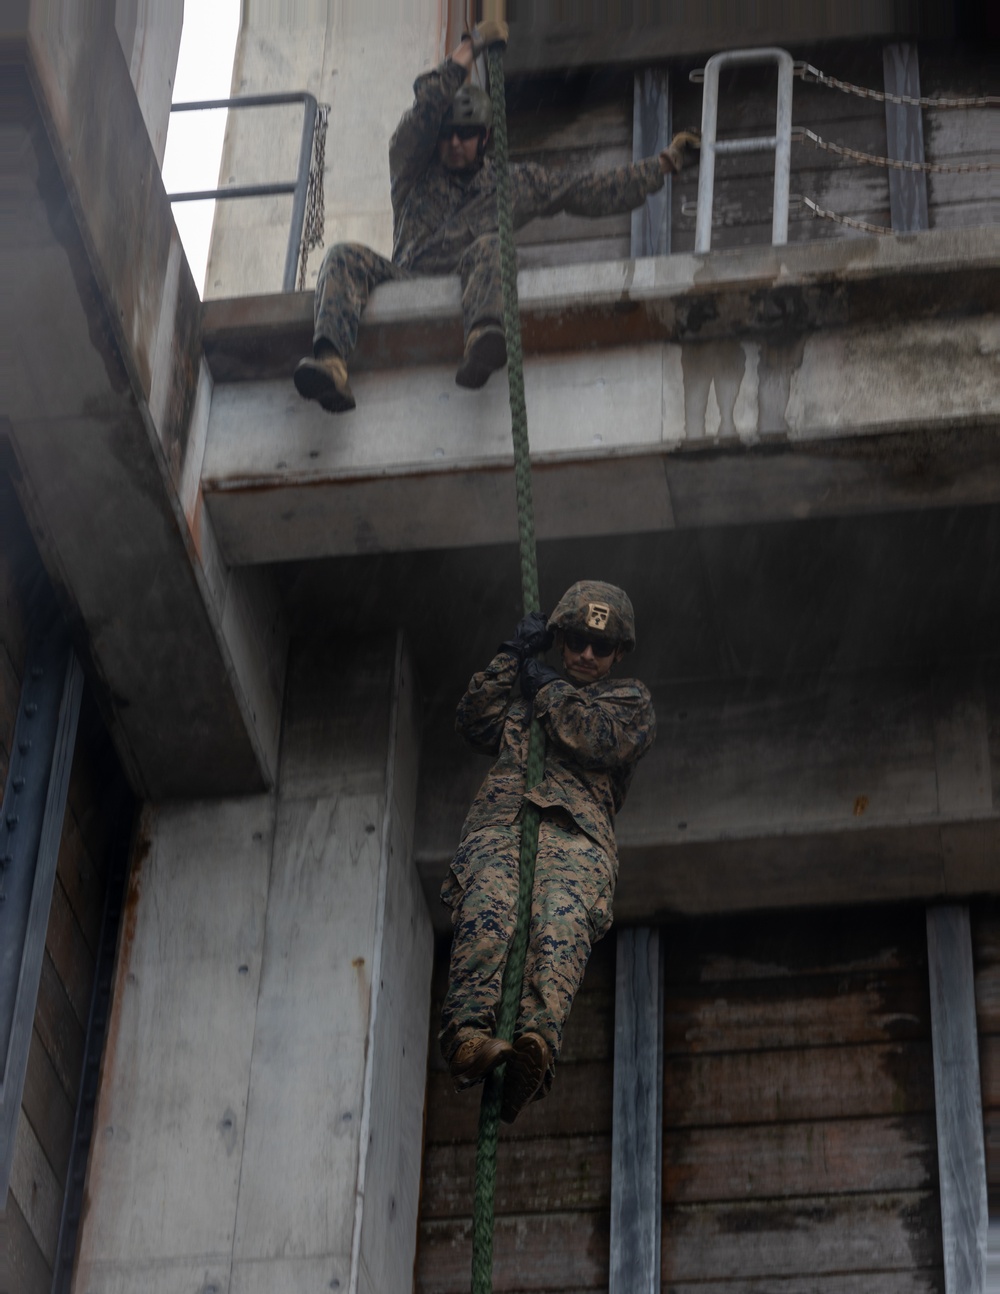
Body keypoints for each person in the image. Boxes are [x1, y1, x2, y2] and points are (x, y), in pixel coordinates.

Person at [293, 24, 695, 413]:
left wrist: (663, 165)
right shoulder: (412, 168)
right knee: (344, 255)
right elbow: (423, 111)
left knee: (491, 245)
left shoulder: (512, 184)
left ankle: (484, 341)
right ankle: (331, 364)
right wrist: (470, 49)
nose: (453, 143)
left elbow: (587, 191)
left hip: (469, 285)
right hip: (409, 278)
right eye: (448, 134)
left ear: (484, 139)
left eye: (465, 135)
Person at [439, 581, 656, 1122]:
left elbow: (594, 737)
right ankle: (468, 1035)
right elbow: (473, 720)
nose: (586, 654)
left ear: (618, 655)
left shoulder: (629, 703)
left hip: (575, 838)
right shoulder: (524, 690)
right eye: (577, 640)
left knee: (557, 933)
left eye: (600, 647)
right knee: (488, 918)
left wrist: (548, 688)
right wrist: (511, 657)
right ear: (560, 640)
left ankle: (535, 1047)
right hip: (502, 825)